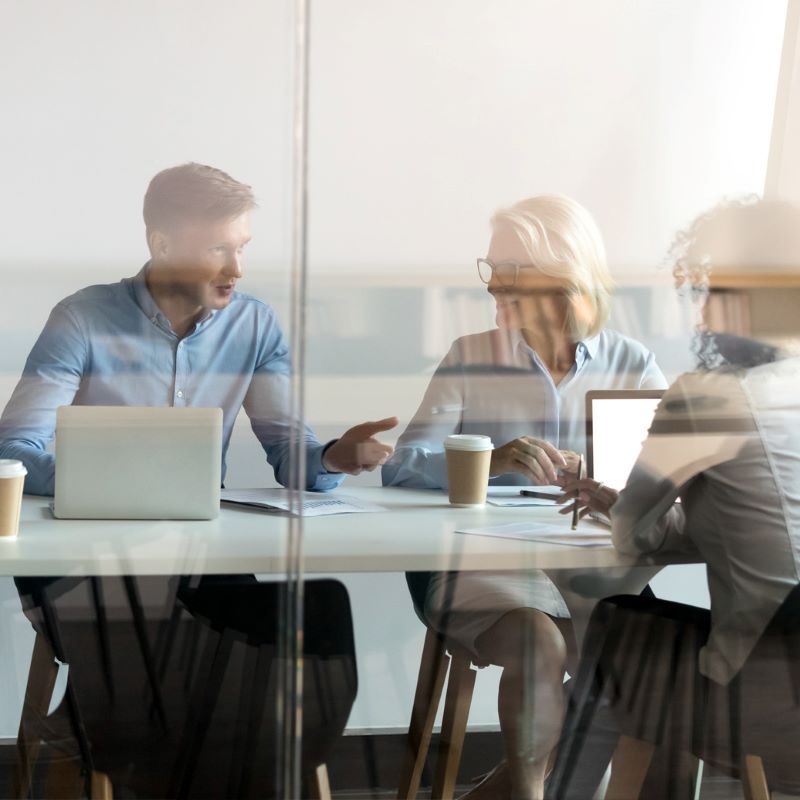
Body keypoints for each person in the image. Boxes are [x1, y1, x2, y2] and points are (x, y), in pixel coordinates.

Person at [383, 194, 666, 800]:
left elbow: (666, 486)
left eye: (510, 271)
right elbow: (401, 467)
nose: (493, 285)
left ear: (565, 275)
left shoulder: (632, 363)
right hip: (480, 562)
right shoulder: (471, 355)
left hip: (586, 566)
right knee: (540, 646)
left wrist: (604, 476)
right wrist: (491, 460)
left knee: (628, 659)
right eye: (492, 269)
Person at [555, 197, 800, 798]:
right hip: (790, 678)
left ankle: (553, 792)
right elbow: (759, 523)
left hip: (766, 693)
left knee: (619, 630)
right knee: (648, 651)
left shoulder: (709, 397)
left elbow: (631, 535)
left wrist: (623, 506)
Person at [0, 162, 397, 490]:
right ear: (162, 246)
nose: (236, 269)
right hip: (96, 535)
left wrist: (333, 458)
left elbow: (289, 451)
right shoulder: (82, 319)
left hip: (201, 540)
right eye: (218, 249)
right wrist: (104, 483)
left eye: (241, 248)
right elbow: (11, 451)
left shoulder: (254, 324)